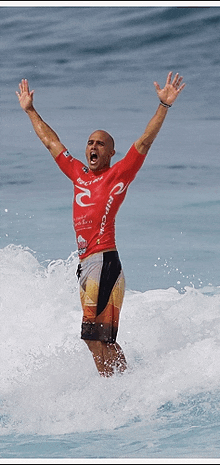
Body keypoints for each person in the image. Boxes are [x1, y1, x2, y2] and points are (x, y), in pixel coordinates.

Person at [16, 71, 185, 377]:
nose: (93, 147)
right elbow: (51, 142)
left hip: (105, 261)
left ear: (110, 153)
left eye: (100, 144)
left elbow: (145, 141)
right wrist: (30, 110)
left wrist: (164, 107)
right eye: (90, 143)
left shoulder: (118, 175)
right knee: (100, 339)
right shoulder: (78, 175)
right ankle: (125, 384)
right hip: (87, 265)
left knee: (94, 337)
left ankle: (116, 387)